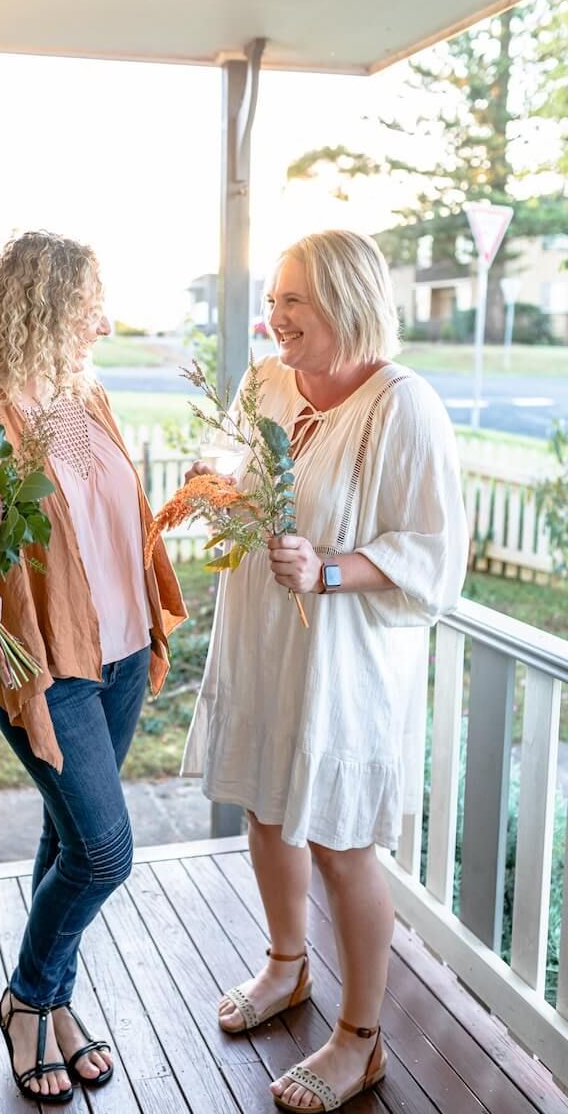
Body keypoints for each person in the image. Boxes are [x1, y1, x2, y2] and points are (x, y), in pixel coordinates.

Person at [181, 229, 468, 1111]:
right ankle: (286, 966)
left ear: (344, 299)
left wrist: (331, 569)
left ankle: (362, 1039)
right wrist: (219, 486)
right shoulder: (265, 382)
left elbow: (433, 551)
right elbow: (248, 469)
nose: (275, 316)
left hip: (345, 659)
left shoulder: (400, 405)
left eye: (292, 300)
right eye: (273, 298)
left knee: (342, 844)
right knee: (267, 810)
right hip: (264, 637)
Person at [0, 230, 186, 1104]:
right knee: (105, 851)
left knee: (64, 837)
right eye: (84, 306)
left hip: (113, 651)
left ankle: (56, 1009)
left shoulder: (81, 399)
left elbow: (106, 520)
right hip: (44, 662)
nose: (99, 322)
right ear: (35, 304)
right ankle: (26, 999)